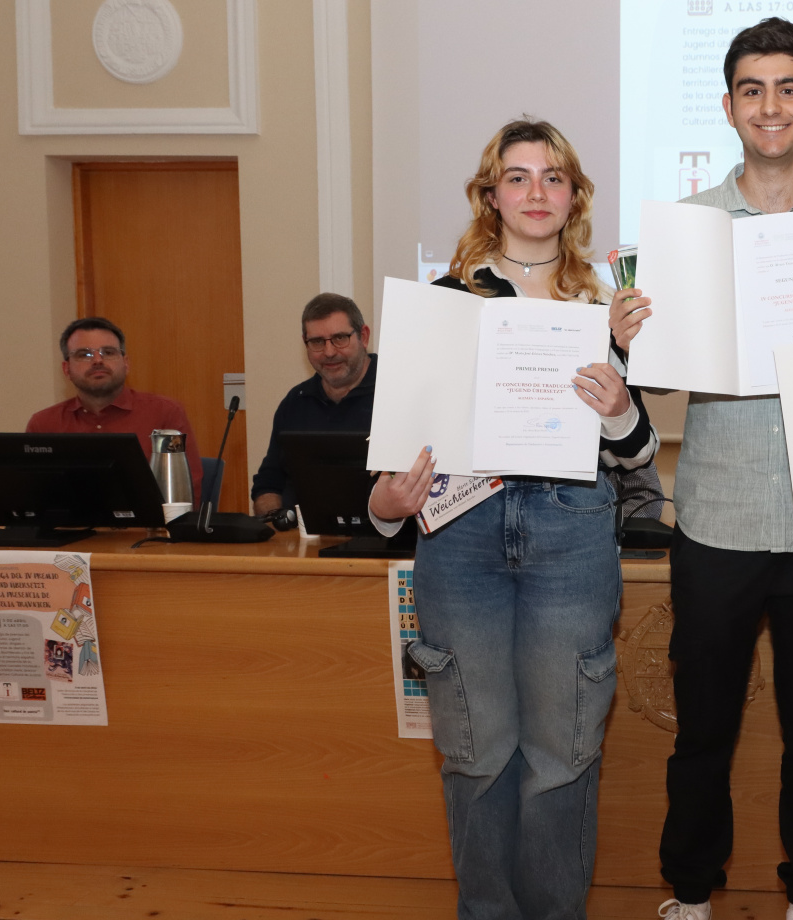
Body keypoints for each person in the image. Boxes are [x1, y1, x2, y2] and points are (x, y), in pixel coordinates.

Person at [609, 18, 793, 920]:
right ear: (729, 106)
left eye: (789, 89)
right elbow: (657, 380)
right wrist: (631, 340)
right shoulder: (687, 227)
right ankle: (692, 891)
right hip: (716, 519)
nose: (772, 106)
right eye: (753, 90)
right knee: (703, 731)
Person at [368, 118, 657, 920]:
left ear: (574, 197)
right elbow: (390, 466)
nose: (537, 192)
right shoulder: (444, 303)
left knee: (563, 753)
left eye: (553, 177)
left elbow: (638, 453)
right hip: (460, 541)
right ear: (490, 195)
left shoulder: (605, 309)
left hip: (572, 532)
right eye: (519, 177)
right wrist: (386, 505)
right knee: (475, 752)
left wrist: (618, 401)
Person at [28, 317, 203, 501]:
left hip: (147, 520)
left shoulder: (164, 414)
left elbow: (184, 494)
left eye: (108, 352)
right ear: (66, 369)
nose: (97, 360)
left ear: (126, 363)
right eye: (84, 354)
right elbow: (33, 497)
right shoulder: (44, 425)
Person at [250, 293, 378, 516]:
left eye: (340, 338)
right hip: (300, 536)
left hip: (382, 535)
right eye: (317, 342)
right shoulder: (295, 403)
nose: (329, 352)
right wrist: (277, 520)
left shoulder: (396, 395)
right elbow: (268, 485)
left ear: (363, 337)